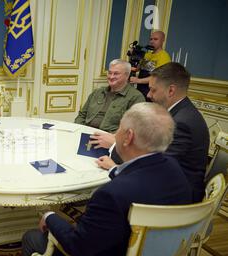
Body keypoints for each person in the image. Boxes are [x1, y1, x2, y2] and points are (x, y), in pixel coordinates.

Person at [17, 103, 193, 256]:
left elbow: (78, 247)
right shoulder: (175, 170)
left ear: (128, 137)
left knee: (32, 238)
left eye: (119, 128)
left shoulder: (111, 195)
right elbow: (141, 182)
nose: (116, 133)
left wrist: (50, 217)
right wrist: (115, 170)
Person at [97, 63, 209, 202]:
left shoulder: (180, 123)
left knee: (108, 196)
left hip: (176, 199)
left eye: (153, 90)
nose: (149, 95)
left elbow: (153, 166)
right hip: (169, 184)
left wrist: (116, 152)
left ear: (171, 91)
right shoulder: (181, 112)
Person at [74, 59, 145, 133]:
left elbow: (133, 128)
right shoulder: (97, 92)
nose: (111, 77)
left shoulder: (136, 97)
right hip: (86, 132)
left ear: (127, 75)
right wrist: (78, 130)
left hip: (111, 138)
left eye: (116, 74)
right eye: (110, 73)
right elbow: (82, 115)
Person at [130, 30, 171, 99]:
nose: (152, 41)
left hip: (152, 92)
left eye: (155, 39)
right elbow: (137, 69)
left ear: (162, 40)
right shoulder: (147, 55)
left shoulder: (164, 57)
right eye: (151, 39)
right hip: (140, 90)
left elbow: (158, 77)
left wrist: (138, 80)